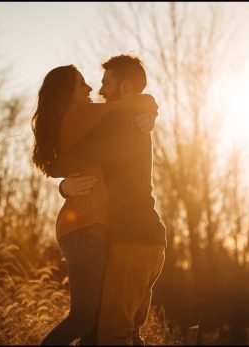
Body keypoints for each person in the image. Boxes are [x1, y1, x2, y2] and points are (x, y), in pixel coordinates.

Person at [31, 64, 159, 346]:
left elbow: (58, 165)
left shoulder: (82, 118)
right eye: (82, 84)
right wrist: (149, 105)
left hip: (92, 227)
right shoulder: (79, 114)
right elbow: (127, 105)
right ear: (67, 94)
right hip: (85, 228)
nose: (91, 89)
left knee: (95, 326)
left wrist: (147, 113)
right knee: (84, 319)